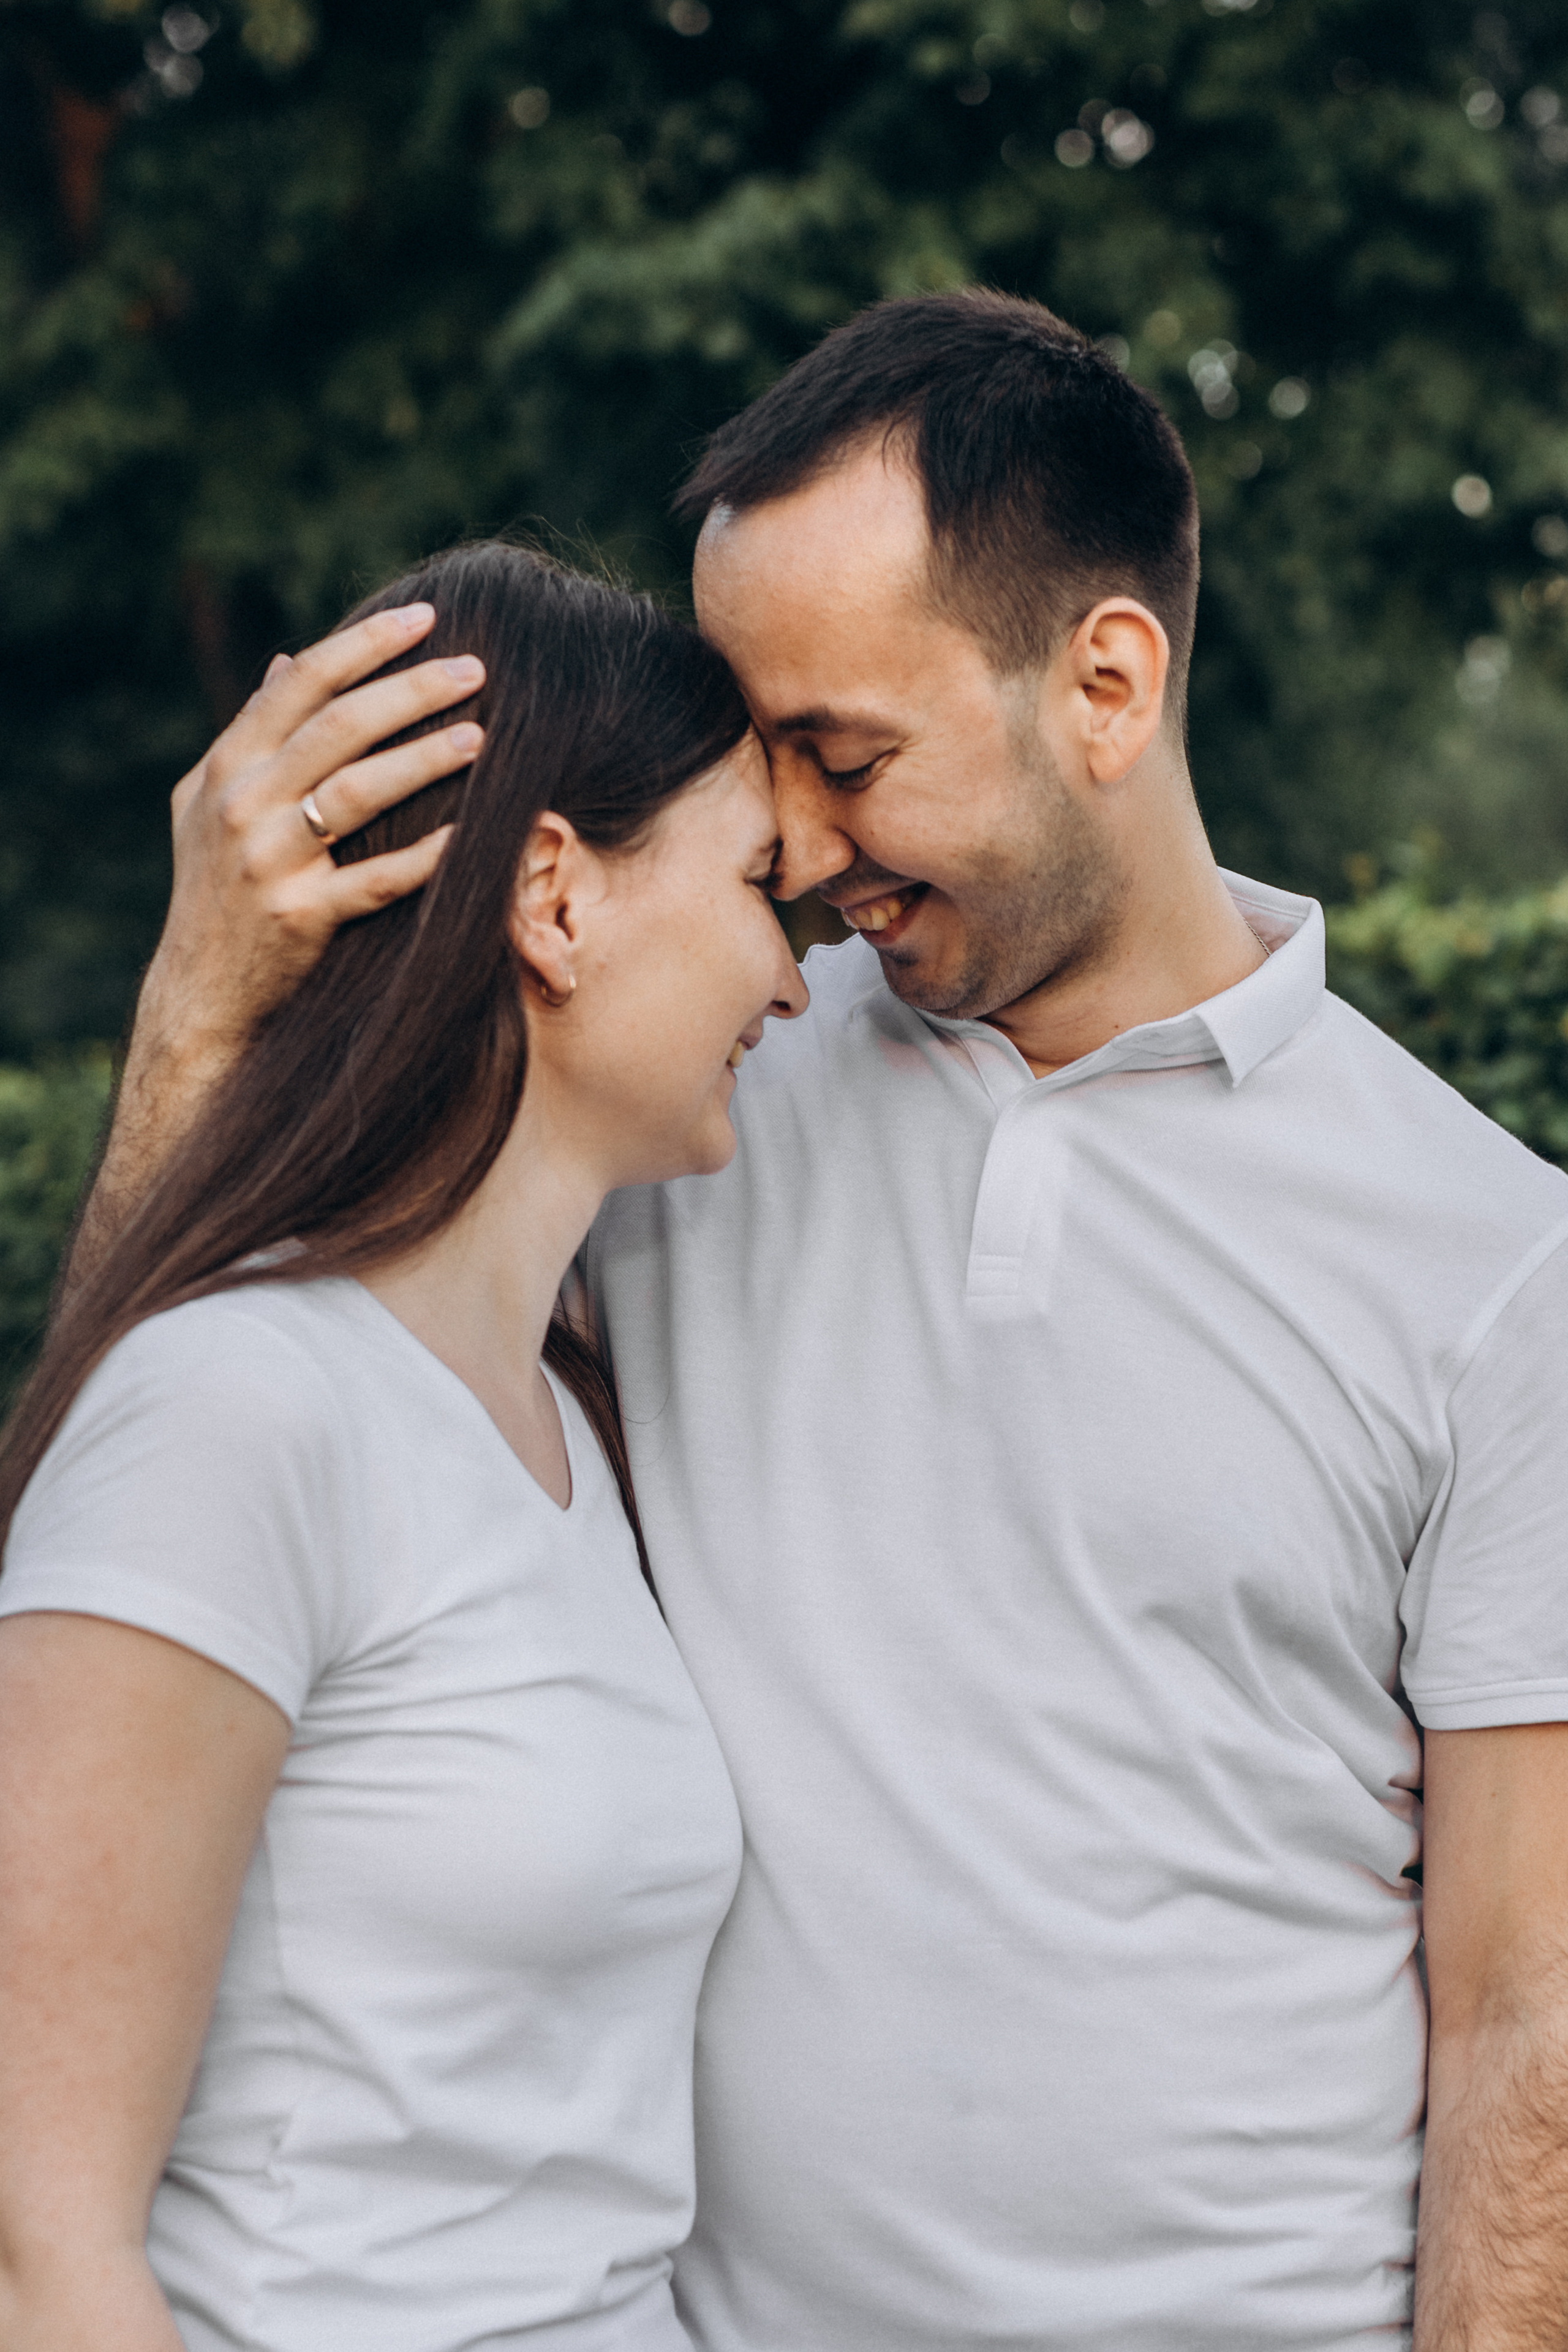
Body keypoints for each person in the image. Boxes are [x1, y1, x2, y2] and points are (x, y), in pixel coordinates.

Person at [47, 293, 1568, 2349]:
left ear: (1106, 686)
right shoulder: (689, 1102)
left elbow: (1521, 2023)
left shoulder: (1493, 1258)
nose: (801, 853)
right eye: (764, 765)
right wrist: (197, 1014)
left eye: (844, 756)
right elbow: (176, 1469)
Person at [0, 540, 807, 2352]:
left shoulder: (571, 1427)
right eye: (761, 887)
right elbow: (36, 2254)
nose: (794, 980)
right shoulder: (234, 1412)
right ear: (557, 899)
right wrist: (194, 1011)